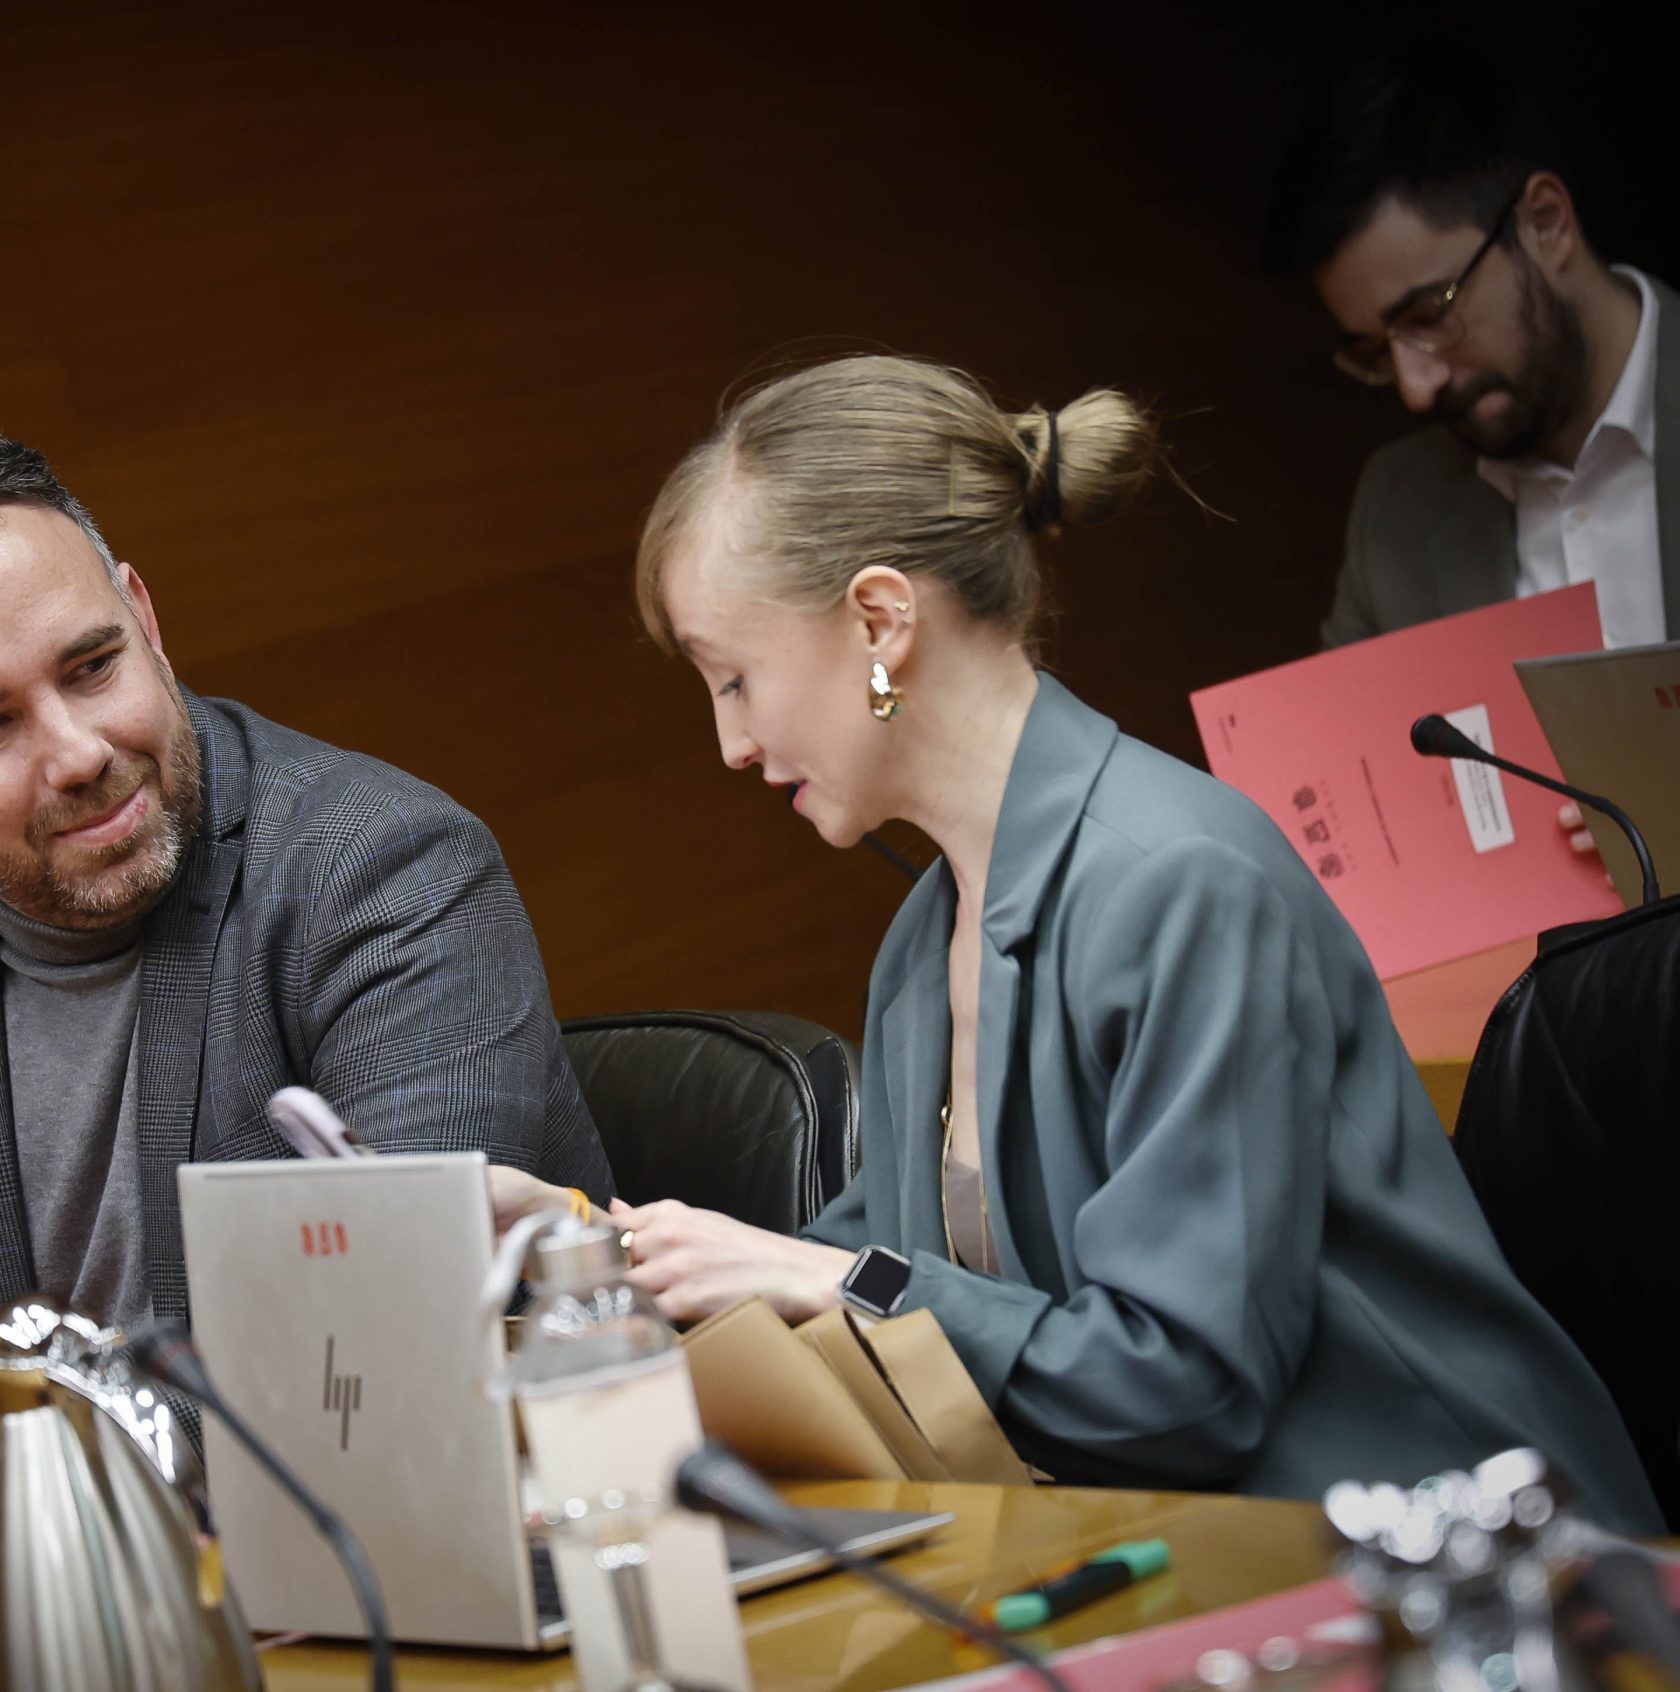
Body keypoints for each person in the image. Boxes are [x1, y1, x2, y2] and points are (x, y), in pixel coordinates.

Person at [494, 354, 1661, 1528]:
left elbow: (1183, 1388)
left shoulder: (1180, 883)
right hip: (1201, 1549)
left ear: (880, 619)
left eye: (734, 679)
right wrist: (592, 1247)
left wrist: (840, 1282)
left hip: (1461, 1557)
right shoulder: (924, 934)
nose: (729, 746)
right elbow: (859, 1283)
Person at [0, 430, 614, 1597]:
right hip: (73, 1611)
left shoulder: (381, 868)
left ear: (144, 620)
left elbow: (378, 1350)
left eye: (92, 666)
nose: (79, 752)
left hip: (423, 1583)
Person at [1267, 53, 1674, 653]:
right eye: (1376, 351)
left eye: (1430, 315)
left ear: (1545, 223)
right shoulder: (1398, 505)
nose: (1414, 388)